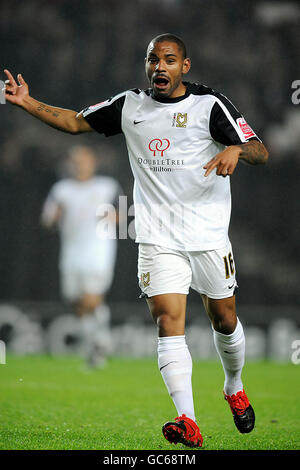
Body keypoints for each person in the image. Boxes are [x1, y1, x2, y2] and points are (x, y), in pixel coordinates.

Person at [3, 32, 268, 448]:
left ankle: (234, 385)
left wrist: (236, 149)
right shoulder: (129, 105)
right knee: (168, 322)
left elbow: (260, 150)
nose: (159, 66)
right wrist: (25, 102)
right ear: (147, 66)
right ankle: (188, 420)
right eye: (152, 59)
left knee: (225, 320)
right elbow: (74, 122)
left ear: (185, 66)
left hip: (208, 235)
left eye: (168, 59)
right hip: (157, 237)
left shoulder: (209, 105)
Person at [41, 145, 122, 368]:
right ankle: (96, 348)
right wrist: (54, 217)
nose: (80, 165)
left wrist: (114, 217)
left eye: (84, 160)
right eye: (76, 161)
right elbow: (46, 220)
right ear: (69, 164)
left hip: (98, 249)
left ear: (93, 162)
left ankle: (102, 341)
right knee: (77, 302)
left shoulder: (107, 186)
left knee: (91, 297)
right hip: (71, 251)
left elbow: (123, 215)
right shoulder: (61, 189)